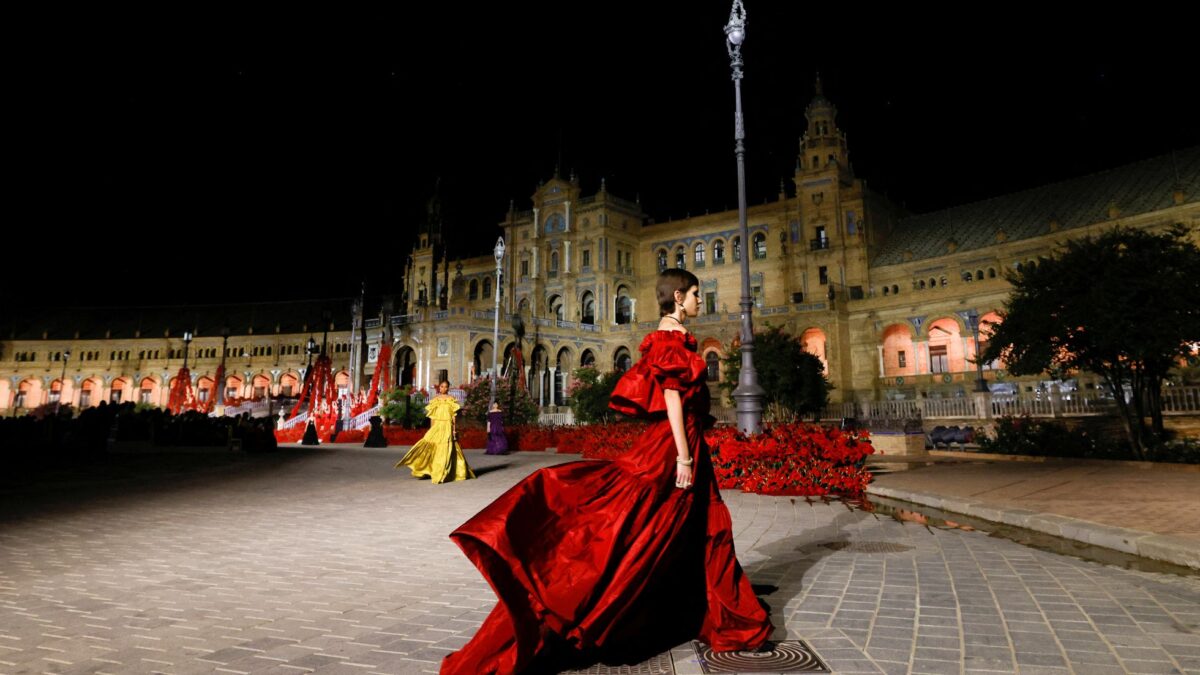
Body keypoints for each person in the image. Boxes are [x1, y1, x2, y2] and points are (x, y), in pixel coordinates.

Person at [441, 269, 772, 674]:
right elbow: (672, 399)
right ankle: (578, 610)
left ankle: (701, 605)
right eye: (697, 295)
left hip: (679, 445)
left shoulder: (668, 338)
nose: (701, 302)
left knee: (686, 528)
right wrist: (684, 458)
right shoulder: (670, 341)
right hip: (672, 450)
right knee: (636, 532)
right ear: (680, 296)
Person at [395, 381, 475, 483]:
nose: (443, 388)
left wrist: (454, 430)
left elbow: (453, 417)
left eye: (446, 387)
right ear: (439, 387)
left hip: (447, 426)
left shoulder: (451, 399)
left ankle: (442, 473)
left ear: (448, 388)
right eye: (442, 386)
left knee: (446, 448)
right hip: (437, 426)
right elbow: (432, 417)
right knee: (427, 444)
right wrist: (431, 428)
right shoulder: (435, 400)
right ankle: (426, 468)